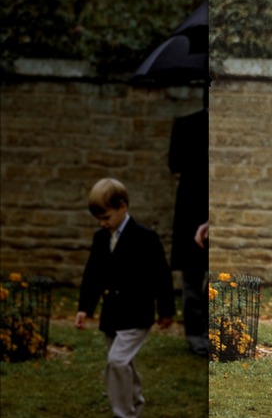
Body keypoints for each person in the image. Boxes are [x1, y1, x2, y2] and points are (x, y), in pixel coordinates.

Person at [75, 178, 175, 418]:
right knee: (124, 363)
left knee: (117, 362)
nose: (103, 223)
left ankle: (124, 414)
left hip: (137, 314)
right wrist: (84, 308)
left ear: (123, 206)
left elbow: (162, 276)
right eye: (99, 219)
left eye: (106, 217)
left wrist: (166, 311)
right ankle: (135, 403)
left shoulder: (145, 238)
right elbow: (93, 275)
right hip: (111, 314)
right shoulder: (101, 239)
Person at [168, 109, 209, 356]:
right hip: (190, 204)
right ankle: (195, 333)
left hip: (208, 201)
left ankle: (202, 330)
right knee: (192, 276)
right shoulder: (186, 125)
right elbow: (175, 163)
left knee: (204, 277)